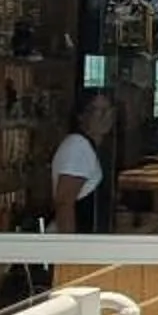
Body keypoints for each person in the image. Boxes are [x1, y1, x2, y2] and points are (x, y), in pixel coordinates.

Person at [51, 90, 118, 234]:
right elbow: (64, 203)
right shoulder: (78, 146)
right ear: (81, 116)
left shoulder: (93, 148)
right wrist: (70, 250)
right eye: (97, 110)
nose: (104, 116)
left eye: (108, 110)